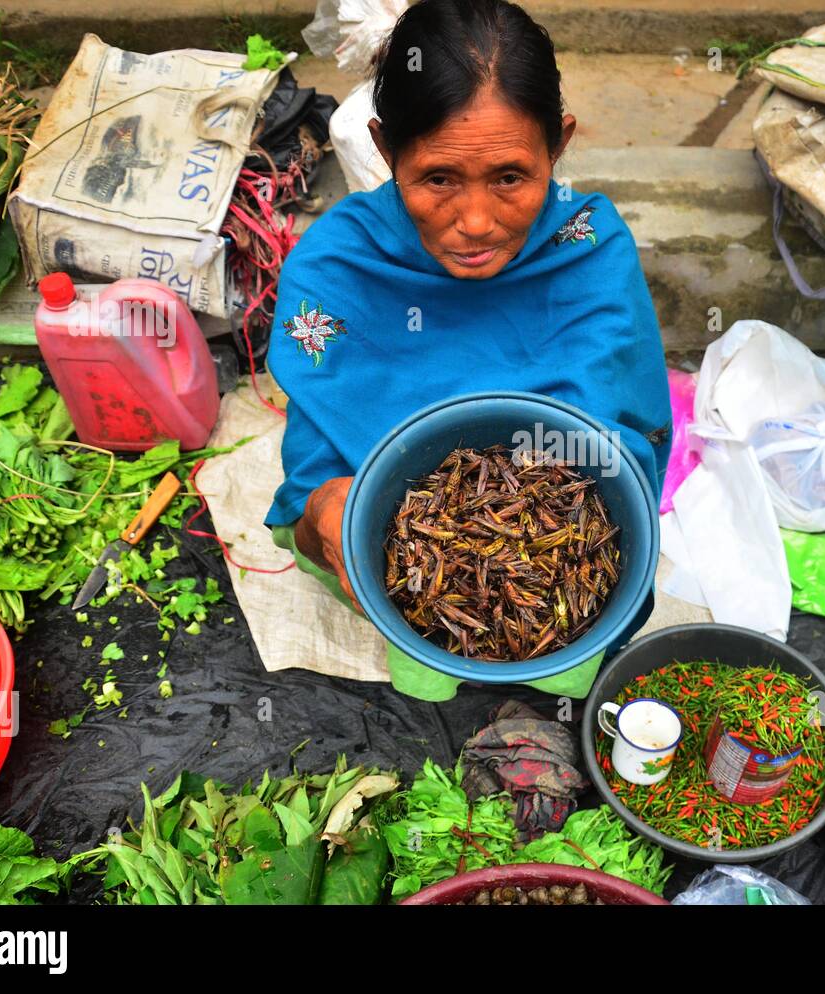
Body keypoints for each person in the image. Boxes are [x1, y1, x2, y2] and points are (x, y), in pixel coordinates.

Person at [264, 0, 672, 686]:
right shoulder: (336, 265)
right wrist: (324, 514)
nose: (476, 222)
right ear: (388, 150)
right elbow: (311, 479)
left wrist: (531, 537)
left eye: (510, 177)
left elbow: (620, 439)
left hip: (549, 537)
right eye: (438, 179)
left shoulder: (587, 249)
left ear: (559, 144)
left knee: (564, 635)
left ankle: (550, 664)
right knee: (415, 625)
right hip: (405, 538)